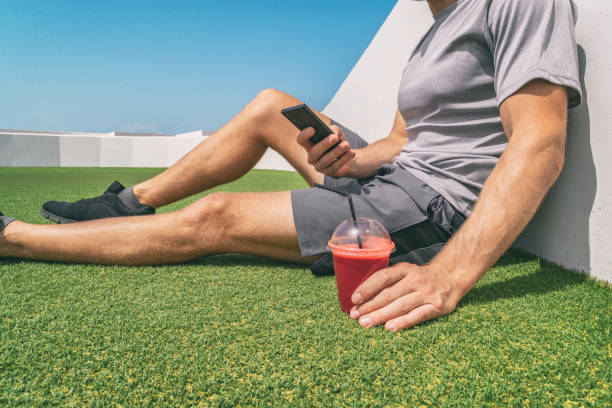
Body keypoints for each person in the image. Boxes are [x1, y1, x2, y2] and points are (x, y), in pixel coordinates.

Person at [0, 0, 581, 331]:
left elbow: (539, 145)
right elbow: (404, 141)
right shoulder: (431, 36)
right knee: (268, 106)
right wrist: (351, 163)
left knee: (217, 216)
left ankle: (15, 239)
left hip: (435, 204)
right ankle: (130, 203)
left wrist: (450, 274)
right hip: (396, 174)